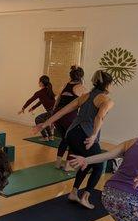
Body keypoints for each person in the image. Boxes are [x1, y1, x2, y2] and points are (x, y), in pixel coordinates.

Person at [33, 70, 114, 209]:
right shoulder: (107, 100)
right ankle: (85, 197)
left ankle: (74, 192)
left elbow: (62, 111)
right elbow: (99, 117)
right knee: (99, 165)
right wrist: (94, 135)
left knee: (86, 162)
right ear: (107, 85)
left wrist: (44, 124)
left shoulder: (85, 96)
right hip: (85, 135)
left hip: (71, 134)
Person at [52, 66, 86, 169]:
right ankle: (67, 166)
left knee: (65, 139)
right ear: (81, 76)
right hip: (69, 117)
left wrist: (53, 115)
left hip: (57, 116)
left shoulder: (65, 85)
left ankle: (57, 164)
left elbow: (57, 101)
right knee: (73, 140)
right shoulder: (81, 88)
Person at [19, 75, 56, 141]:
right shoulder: (48, 90)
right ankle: (50, 136)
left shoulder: (40, 92)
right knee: (44, 120)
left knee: (38, 119)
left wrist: (23, 108)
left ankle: (45, 137)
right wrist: (33, 108)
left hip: (51, 111)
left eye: (39, 81)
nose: (38, 82)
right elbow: (42, 101)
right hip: (55, 111)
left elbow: (30, 100)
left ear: (41, 83)